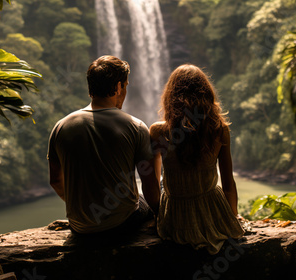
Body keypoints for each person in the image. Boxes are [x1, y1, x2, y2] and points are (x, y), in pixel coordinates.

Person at [47, 55, 160, 245]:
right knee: (161, 186)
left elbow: (55, 180)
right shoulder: (136, 126)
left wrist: (81, 207)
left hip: (79, 227)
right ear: (118, 87)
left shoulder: (61, 126)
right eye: (125, 85)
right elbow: (150, 186)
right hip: (122, 225)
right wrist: (159, 217)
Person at [149, 64, 246, 255]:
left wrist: (158, 216)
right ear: (207, 95)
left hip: (175, 217)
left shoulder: (158, 131)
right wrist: (233, 215)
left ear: (170, 97)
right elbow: (228, 183)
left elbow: (152, 182)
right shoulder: (220, 130)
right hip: (212, 213)